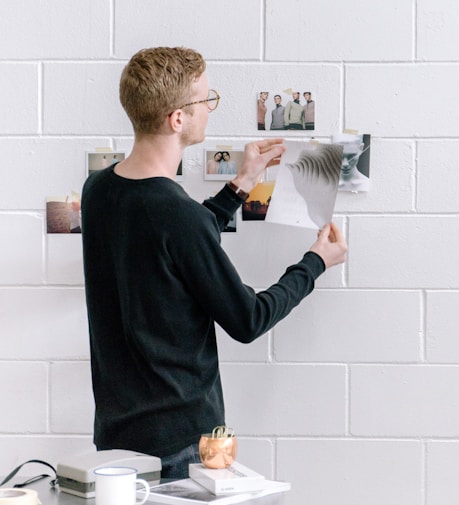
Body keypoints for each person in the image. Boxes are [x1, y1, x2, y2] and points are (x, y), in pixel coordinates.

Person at [80, 46, 347, 480]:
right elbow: (248, 319)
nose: (210, 108)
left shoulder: (98, 190)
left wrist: (241, 183)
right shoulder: (178, 215)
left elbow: (175, 242)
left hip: (114, 439)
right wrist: (315, 262)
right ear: (177, 119)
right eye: (205, 99)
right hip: (180, 446)